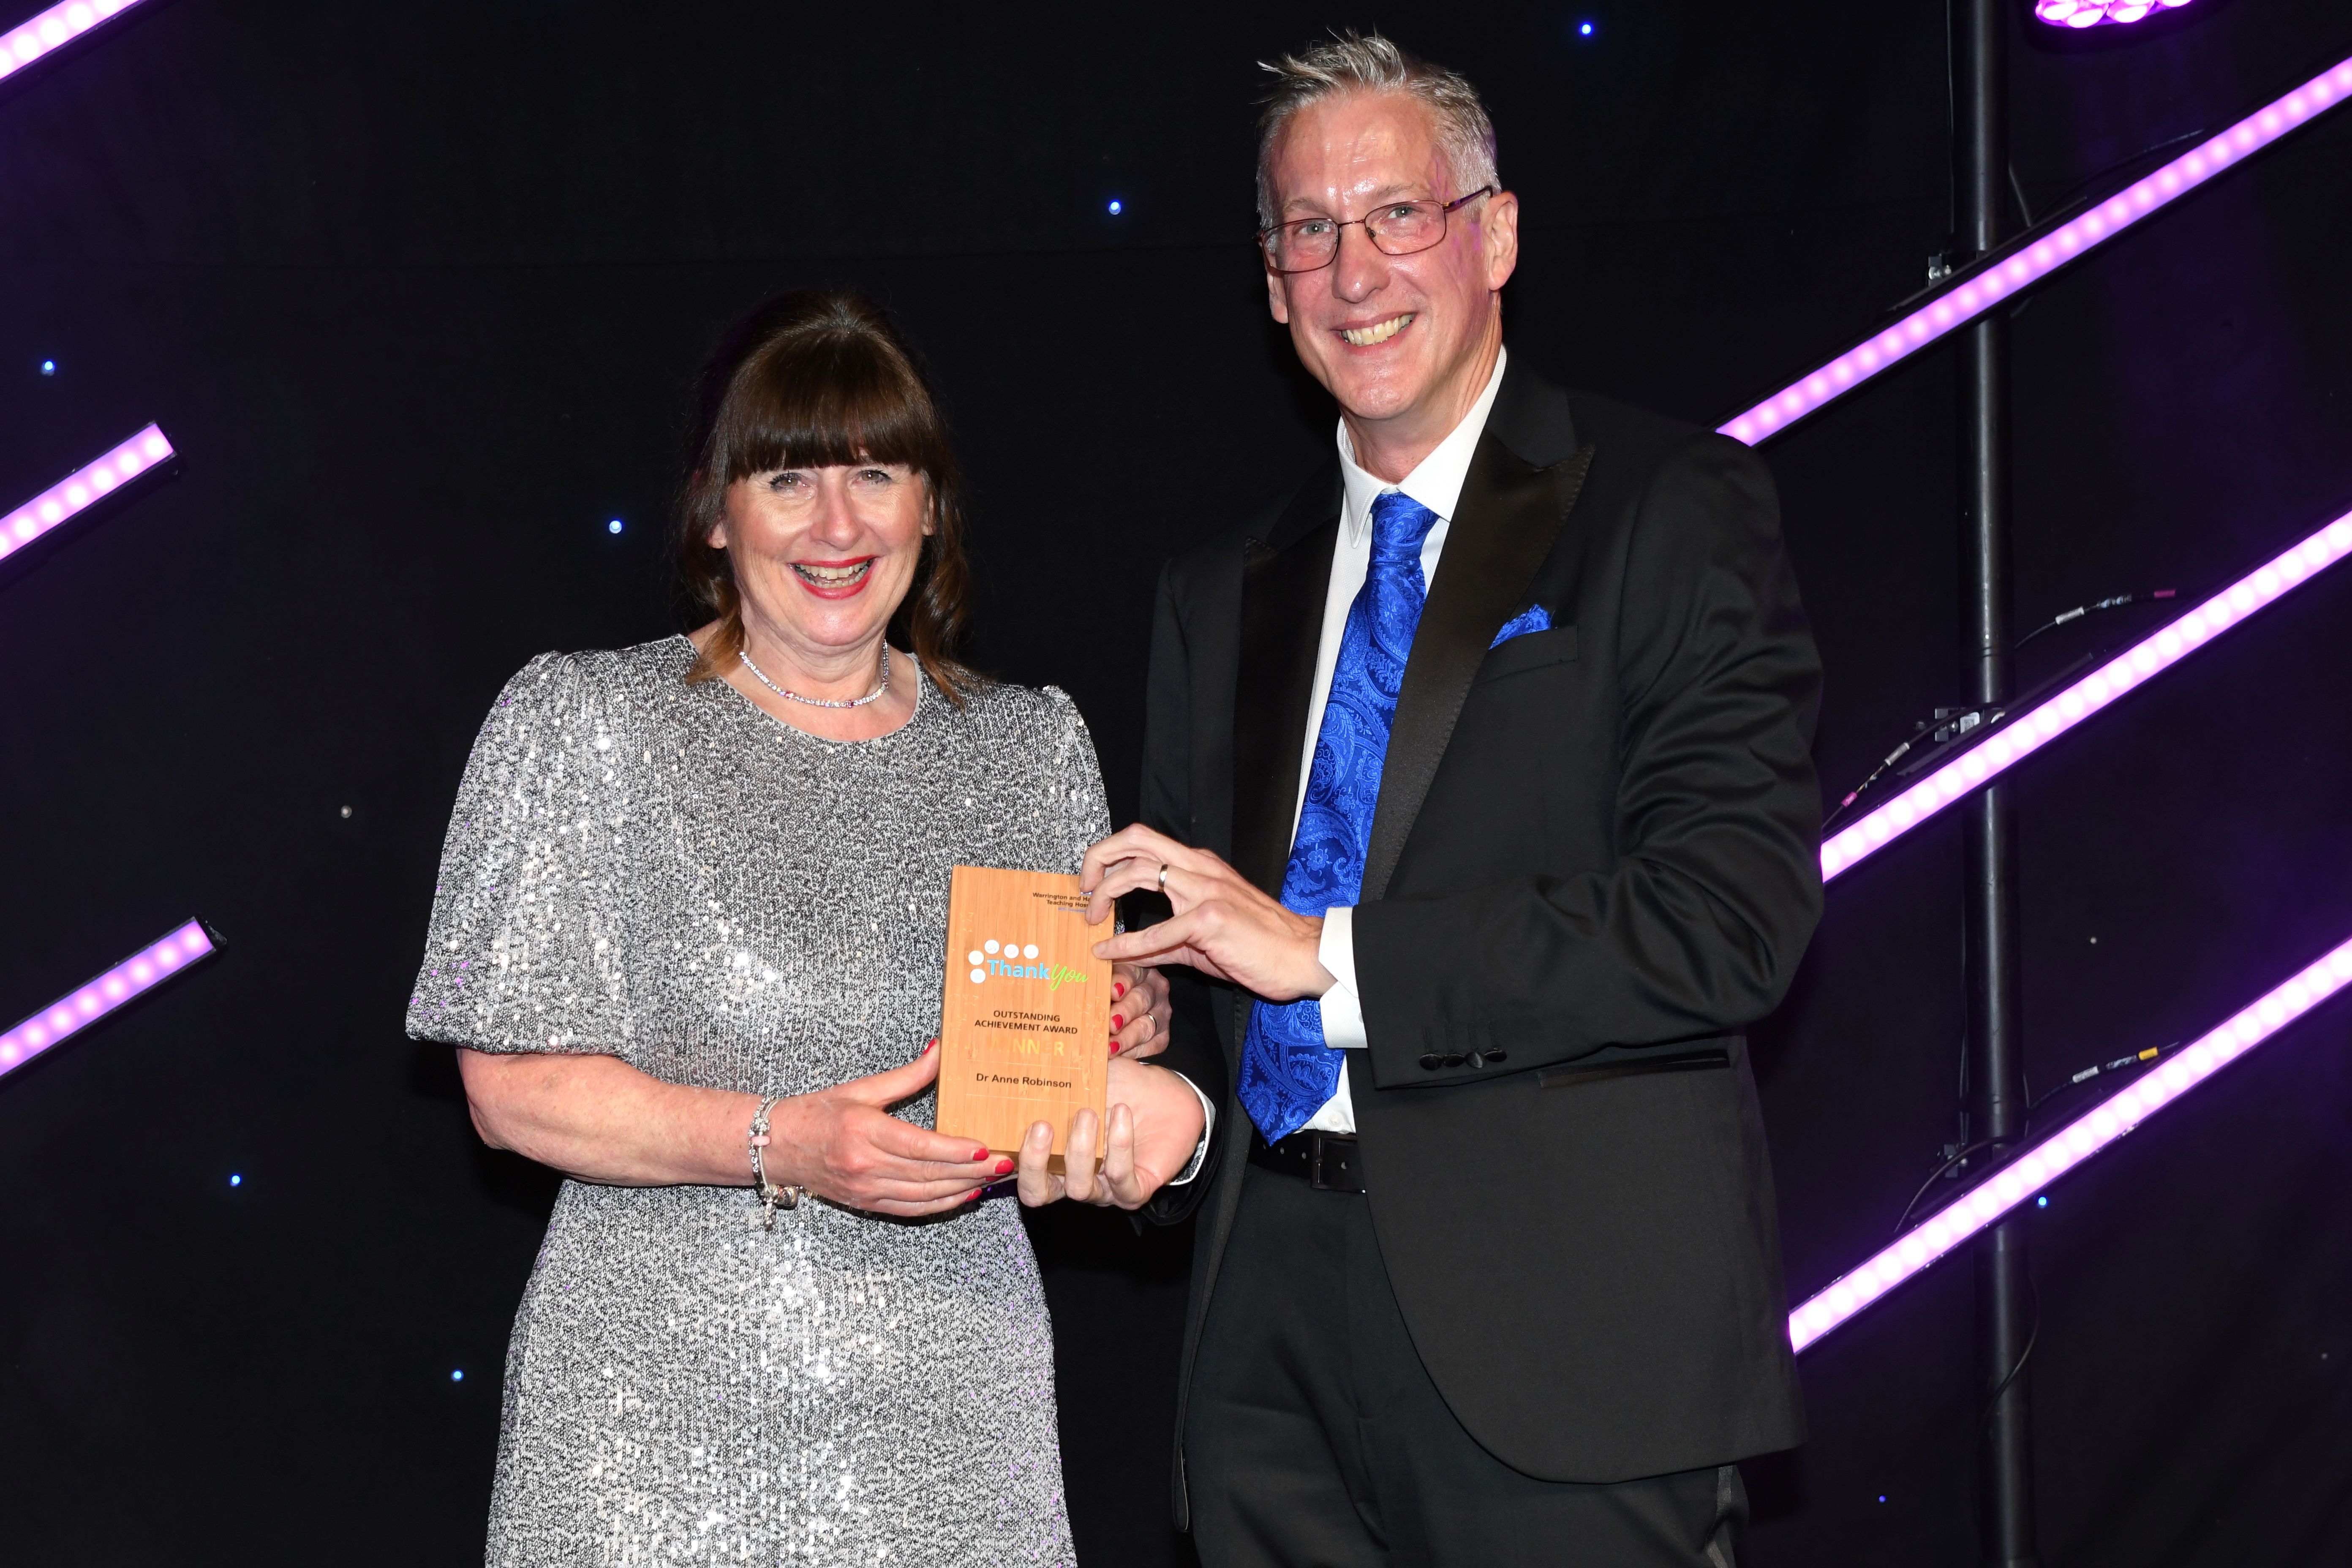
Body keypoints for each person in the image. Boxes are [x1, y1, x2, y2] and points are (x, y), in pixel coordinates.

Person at [1018, 33, 1824, 1568]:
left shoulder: (1669, 507)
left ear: (1495, 234)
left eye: (1398, 214)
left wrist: (1329, 960)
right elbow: (1206, 984)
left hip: (1569, 1349)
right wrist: (1161, 1111)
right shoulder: (1218, 594)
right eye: (1309, 231)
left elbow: (1729, 924)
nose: (1354, 268)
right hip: (1264, 1365)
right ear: (1270, 281)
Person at [405, 289, 1172, 1567]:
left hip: (955, 1413)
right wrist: (781, 1143)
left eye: (878, 471)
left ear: (931, 506)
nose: (838, 523)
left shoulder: (1031, 746)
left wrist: (1120, 1032)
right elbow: (509, 1095)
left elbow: (1056, 1070)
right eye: (787, 478)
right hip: (647, 1435)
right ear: (716, 511)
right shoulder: (584, 725)